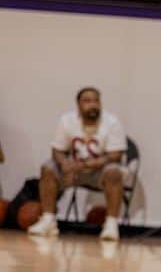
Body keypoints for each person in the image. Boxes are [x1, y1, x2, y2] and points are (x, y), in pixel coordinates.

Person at [29, 88, 128, 241]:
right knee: (48, 167)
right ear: (78, 105)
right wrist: (64, 164)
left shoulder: (112, 122)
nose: (93, 105)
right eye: (87, 101)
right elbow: (57, 149)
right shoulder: (66, 120)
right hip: (71, 171)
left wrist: (84, 165)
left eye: (96, 101)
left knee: (114, 172)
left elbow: (115, 155)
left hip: (99, 172)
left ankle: (111, 224)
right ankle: (48, 220)